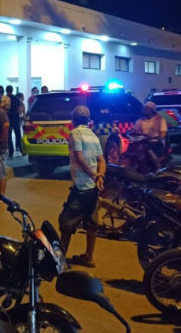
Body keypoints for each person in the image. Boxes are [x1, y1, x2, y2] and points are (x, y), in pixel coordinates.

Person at [59, 105, 106, 268]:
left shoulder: (75, 134)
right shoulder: (93, 136)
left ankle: (60, 261)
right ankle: (89, 257)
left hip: (81, 188)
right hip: (93, 189)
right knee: (91, 224)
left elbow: (79, 158)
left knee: (66, 223)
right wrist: (100, 176)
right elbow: (102, 160)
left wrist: (94, 175)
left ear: (73, 120)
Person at [6, 85, 23, 158]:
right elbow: (19, 107)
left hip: (8, 118)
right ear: (12, 90)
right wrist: (18, 114)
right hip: (16, 118)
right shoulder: (16, 98)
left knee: (9, 136)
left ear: (6, 90)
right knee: (18, 135)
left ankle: (11, 152)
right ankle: (21, 150)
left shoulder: (5, 98)